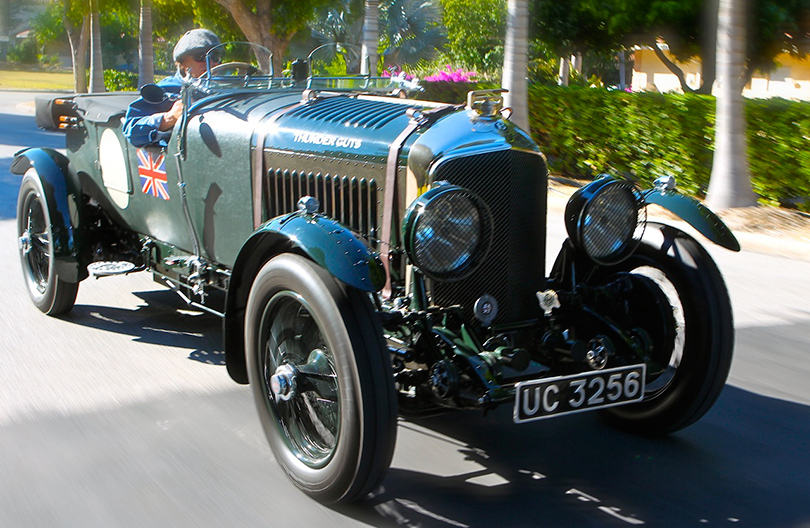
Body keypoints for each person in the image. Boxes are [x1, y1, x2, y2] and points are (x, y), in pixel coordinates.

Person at [123, 29, 220, 147]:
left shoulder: (228, 88)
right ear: (183, 63)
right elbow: (131, 130)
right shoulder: (168, 89)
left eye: (215, 56)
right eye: (201, 56)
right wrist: (169, 117)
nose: (210, 62)